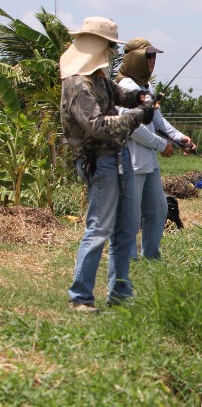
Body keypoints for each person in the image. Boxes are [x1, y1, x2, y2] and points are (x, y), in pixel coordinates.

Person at [59, 16, 156, 313]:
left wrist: (140, 97)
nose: (112, 53)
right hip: (97, 163)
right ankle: (81, 296)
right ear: (97, 46)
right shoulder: (78, 85)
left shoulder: (99, 78)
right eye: (110, 47)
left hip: (119, 157)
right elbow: (96, 125)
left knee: (126, 230)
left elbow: (120, 95)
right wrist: (138, 115)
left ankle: (120, 294)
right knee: (99, 229)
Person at [116, 37, 196, 259]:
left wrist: (180, 138)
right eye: (147, 56)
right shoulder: (125, 88)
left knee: (158, 210)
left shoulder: (147, 87)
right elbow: (133, 128)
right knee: (131, 216)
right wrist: (162, 145)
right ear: (134, 59)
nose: (152, 61)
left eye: (154, 57)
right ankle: (128, 259)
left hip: (148, 162)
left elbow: (158, 122)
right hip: (130, 161)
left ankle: (150, 256)